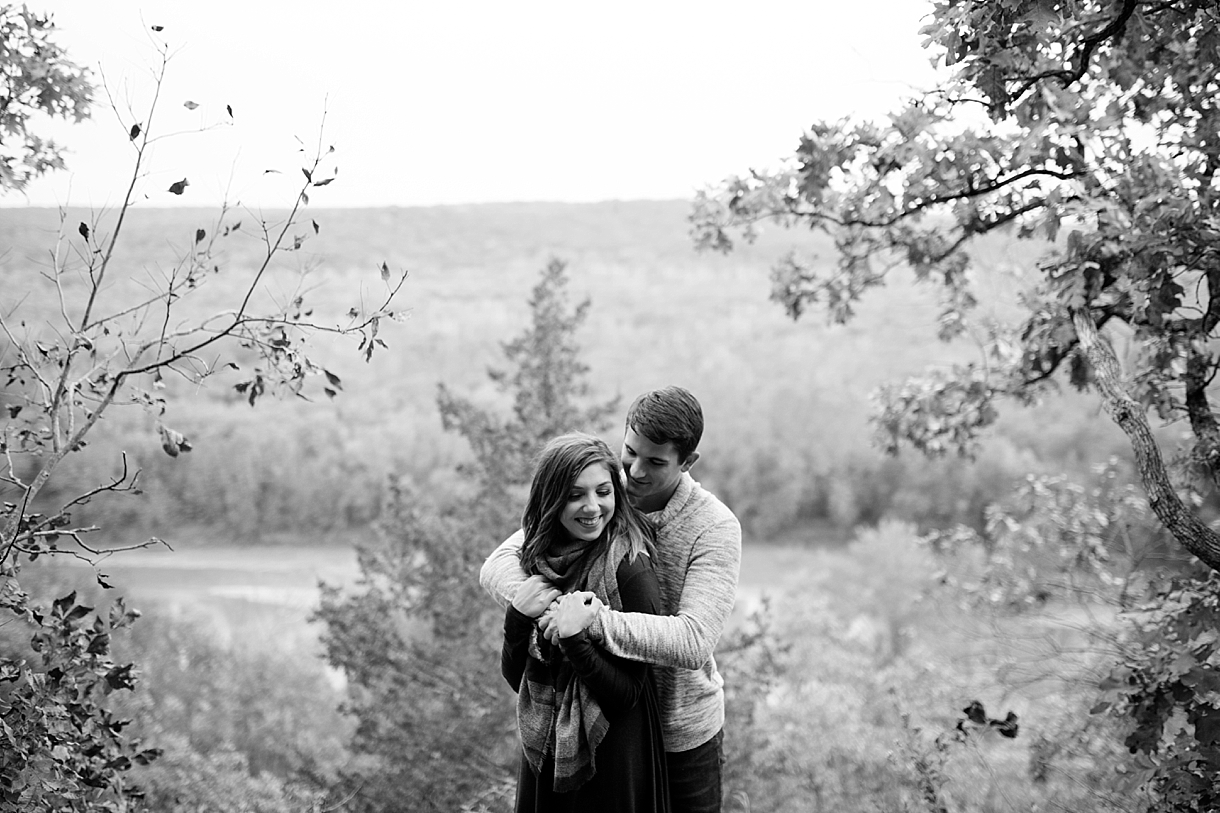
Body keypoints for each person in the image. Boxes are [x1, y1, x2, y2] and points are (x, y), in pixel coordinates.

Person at [483, 387, 742, 813]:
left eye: (655, 462)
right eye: (630, 452)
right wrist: (548, 610)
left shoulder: (713, 527)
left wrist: (590, 621)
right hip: (597, 723)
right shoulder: (602, 492)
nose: (635, 472)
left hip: (679, 728)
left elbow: (694, 641)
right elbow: (499, 564)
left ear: (687, 462)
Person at [500, 432, 670, 813]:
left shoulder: (630, 568)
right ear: (551, 499)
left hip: (612, 757)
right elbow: (518, 679)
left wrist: (574, 638)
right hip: (547, 747)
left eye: (603, 492)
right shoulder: (542, 560)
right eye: (575, 495)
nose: (592, 507)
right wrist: (517, 616)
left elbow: (628, 694)